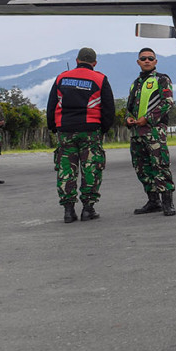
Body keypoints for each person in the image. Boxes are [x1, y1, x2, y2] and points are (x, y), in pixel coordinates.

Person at [45, 47, 115, 223]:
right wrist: (103, 129)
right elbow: (108, 108)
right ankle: (88, 209)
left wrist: (54, 127)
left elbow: (51, 105)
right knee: (91, 168)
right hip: (90, 130)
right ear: (94, 63)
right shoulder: (100, 79)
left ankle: (68, 211)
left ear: (77, 61)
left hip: (65, 130)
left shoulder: (61, 78)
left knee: (66, 170)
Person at [126, 48, 176, 216]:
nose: (146, 60)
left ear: (155, 61)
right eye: (143, 58)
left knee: (160, 166)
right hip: (137, 133)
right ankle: (153, 201)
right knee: (142, 168)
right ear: (138, 62)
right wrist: (128, 118)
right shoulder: (135, 84)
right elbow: (130, 107)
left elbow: (167, 102)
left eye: (150, 58)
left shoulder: (161, 79)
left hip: (154, 132)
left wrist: (147, 119)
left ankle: (167, 203)